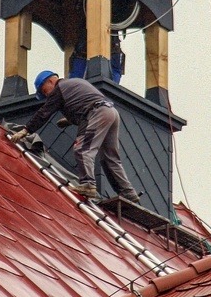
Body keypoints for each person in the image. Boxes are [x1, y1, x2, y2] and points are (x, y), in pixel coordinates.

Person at [10, 70, 140, 203]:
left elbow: (44, 112)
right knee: (109, 157)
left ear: (50, 81)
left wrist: (26, 130)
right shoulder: (73, 83)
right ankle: (128, 193)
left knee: (82, 149)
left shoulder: (59, 89)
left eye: (44, 91)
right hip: (110, 112)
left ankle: (88, 184)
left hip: (97, 113)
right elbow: (83, 101)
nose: (47, 95)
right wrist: (70, 120)